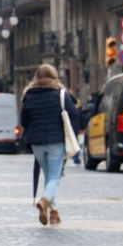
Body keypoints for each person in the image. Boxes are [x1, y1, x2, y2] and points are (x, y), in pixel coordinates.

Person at [20, 64, 80, 226]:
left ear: (37, 77)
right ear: (54, 77)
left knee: (48, 176)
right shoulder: (60, 94)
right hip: (56, 141)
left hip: (37, 143)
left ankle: (54, 212)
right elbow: (74, 115)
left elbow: (24, 121)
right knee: (55, 177)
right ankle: (45, 200)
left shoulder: (28, 95)